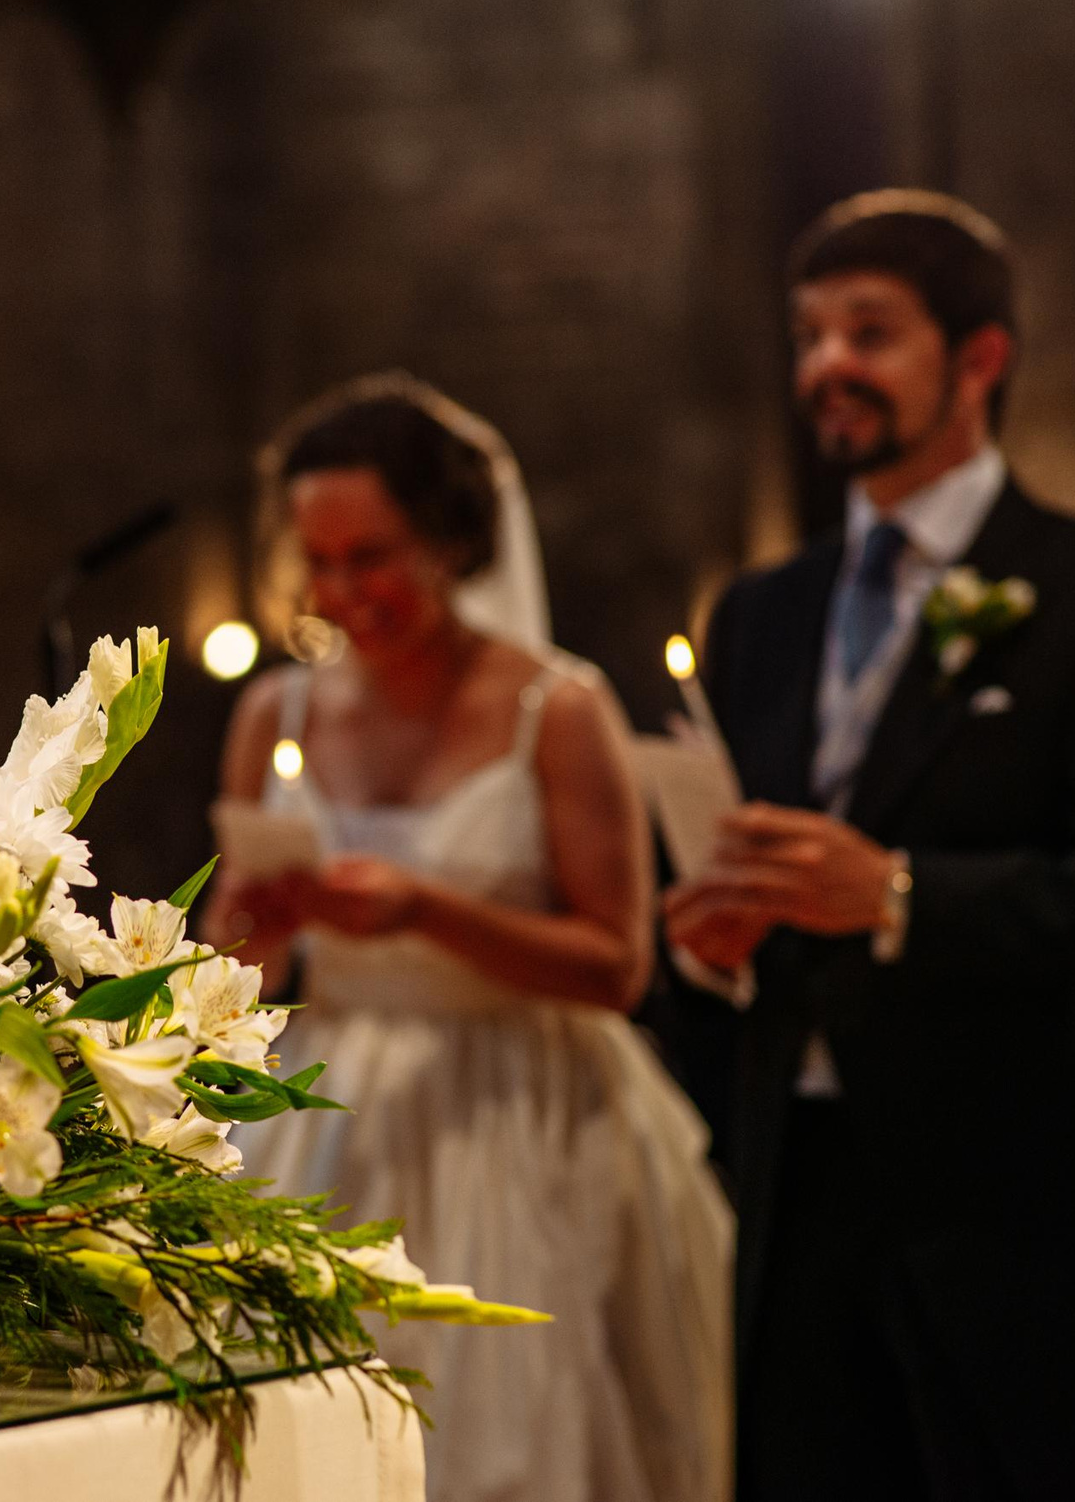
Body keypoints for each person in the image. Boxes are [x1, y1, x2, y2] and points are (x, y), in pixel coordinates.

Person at [664, 191, 1075, 1500]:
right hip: (786, 1190)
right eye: (808, 336)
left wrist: (900, 895)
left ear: (982, 358)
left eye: (869, 332)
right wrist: (709, 947)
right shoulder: (761, 611)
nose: (826, 368)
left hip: (1006, 1197)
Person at [213, 374, 733, 1502]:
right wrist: (257, 931)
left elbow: (618, 964)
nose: (343, 591)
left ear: (452, 542)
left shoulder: (559, 707)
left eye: (375, 556)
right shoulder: (274, 714)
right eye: (323, 559)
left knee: (506, 1440)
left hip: (523, 1107)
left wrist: (424, 910)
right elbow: (232, 964)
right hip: (329, 1102)